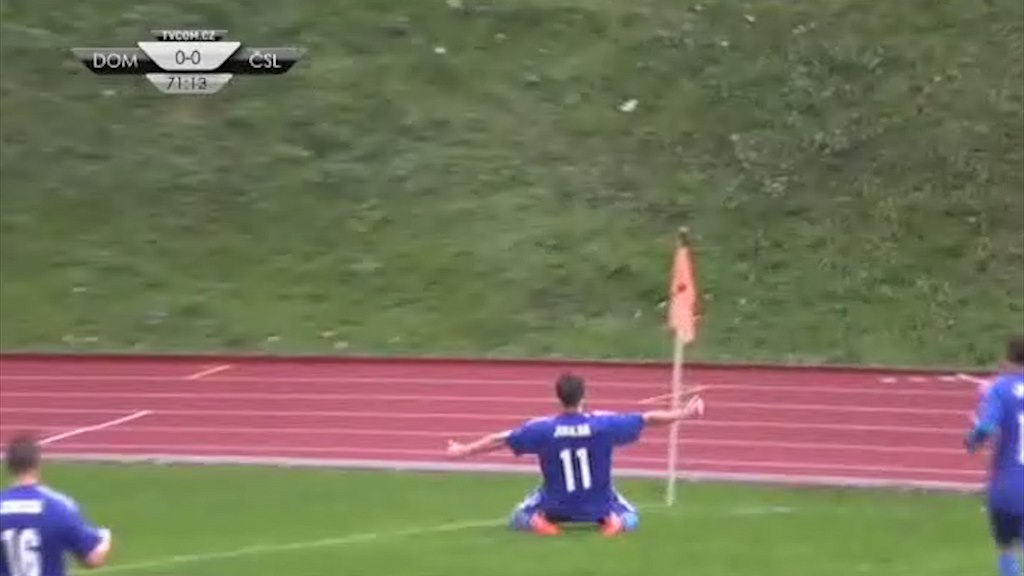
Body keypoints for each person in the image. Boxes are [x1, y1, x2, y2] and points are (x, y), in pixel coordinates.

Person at [446, 372, 705, 536]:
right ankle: (615, 523)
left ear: (558, 397)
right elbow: (648, 419)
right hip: (599, 504)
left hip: (555, 504)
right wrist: (684, 413)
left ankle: (540, 524)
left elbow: (501, 439)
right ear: (584, 396)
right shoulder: (604, 424)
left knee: (518, 516)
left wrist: (464, 450)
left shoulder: (543, 428)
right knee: (632, 515)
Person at [0, 434, 113, 575]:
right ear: (37, 464)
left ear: (9, 466)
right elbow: (93, 559)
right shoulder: (59, 506)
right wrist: (106, 538)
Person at [964, 334, 1024, 576]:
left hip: (1006, 486)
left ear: (1008, 359)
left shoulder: (1000, 389)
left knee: (1006, 548)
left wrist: (972, 440)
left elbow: (987, 427)